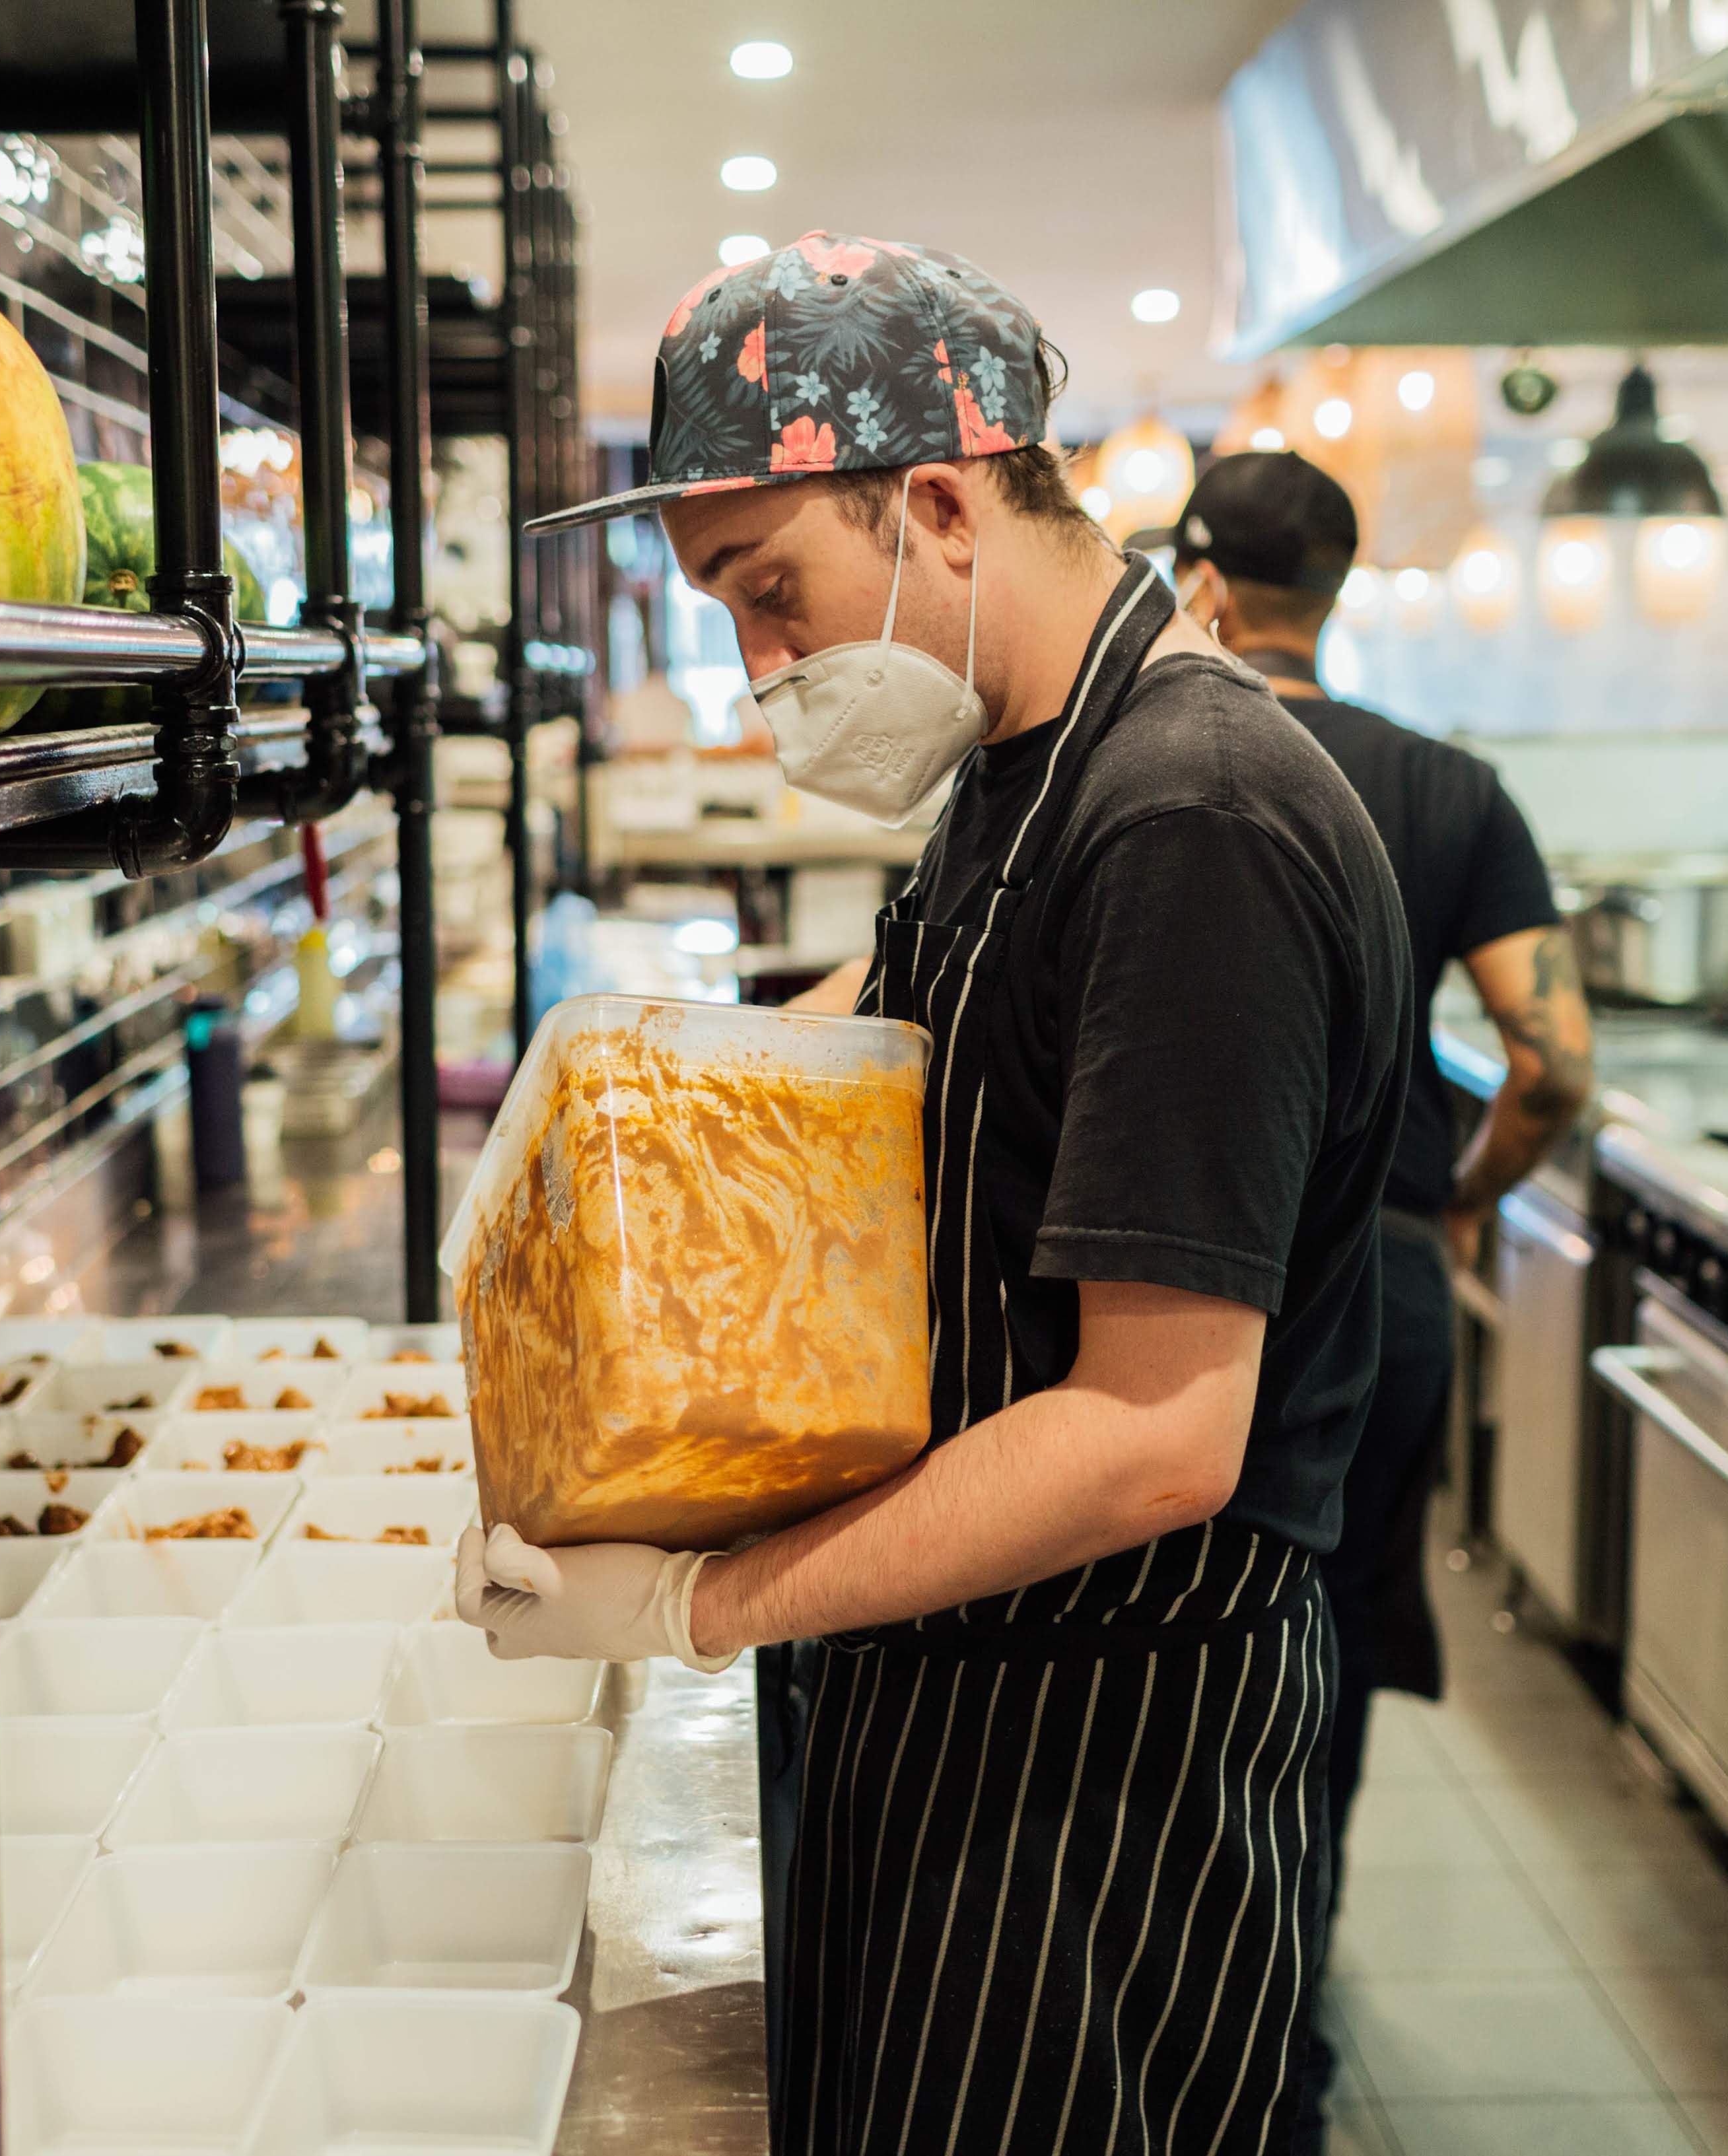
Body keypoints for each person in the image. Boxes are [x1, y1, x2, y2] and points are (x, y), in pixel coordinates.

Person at [450, 233, 1412, 2155]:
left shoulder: (1191, 822)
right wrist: (576, 1139)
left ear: (943, 505)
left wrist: (700, 1604)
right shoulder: (1023, 763)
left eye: (772, 592)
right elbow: (887, 1027)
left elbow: (1152, 1436)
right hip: (948, 1682)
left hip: (1094, 1751)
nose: (760, 670)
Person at [1158, 450, 1595, 2035]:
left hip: (1167, 1274)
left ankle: (1168, 2011)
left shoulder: (1149, 761)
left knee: (1160, 1645)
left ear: (1197, 583)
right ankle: (1283, 2004)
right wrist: (1461, 1197)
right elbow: (1554, 1063)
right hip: (1383, 1281)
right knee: (1318, 1647)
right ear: (1333, 596)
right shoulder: (1448, 788)